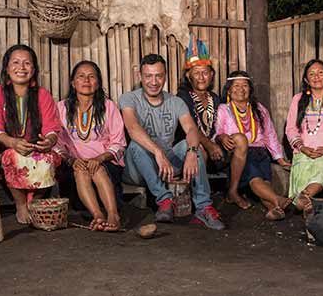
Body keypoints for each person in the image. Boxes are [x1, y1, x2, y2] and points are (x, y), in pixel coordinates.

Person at [120, 54, 225, 230]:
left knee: (191, 145)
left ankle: (203, 207)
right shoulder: (129, 98)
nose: (154, 82)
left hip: (166, 166)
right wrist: (157, 152)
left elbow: (191, 129)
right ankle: (165, 200)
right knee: (136, 145)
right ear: (140, 76)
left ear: (165, 76)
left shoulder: (176, 102)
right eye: (148, 76)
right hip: (137, 167)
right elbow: (132, 128)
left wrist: (192, 151)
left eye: (158, 76)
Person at [0, 44, 61, 225]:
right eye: (16, 62)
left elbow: (52, 128)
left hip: (35, 147)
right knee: (13, 156)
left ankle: (33, 200)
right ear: (6, 68)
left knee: (50, 157)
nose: (21, 68)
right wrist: (12, 143)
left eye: (27, 63)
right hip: (4, 149)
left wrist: (49, 141)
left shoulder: (43, 95)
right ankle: (20, 204)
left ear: (34, 70)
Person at [55, 61, 126, 232]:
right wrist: (71, 160)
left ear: (98, 82)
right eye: (81, 76)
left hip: (106, 163)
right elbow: (55, 143)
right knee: (81, 171)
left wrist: (100, 158)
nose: (86, 80)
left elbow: (119, 143)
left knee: (97, 168)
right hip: (73, 165)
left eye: (91, 76)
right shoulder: (61, 108)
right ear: (73, 83)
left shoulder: (109, 107)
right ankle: (98, 216)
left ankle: (112, 215)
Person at [214, 71, 292, 220]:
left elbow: (270, 135)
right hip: (239, 155)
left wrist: (279, 158)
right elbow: (217, 132)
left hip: (260, 153)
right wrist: (222, 137)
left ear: (250, 89)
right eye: (236, 86)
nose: (241, 89)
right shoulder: (224, 109)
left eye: (245, 85)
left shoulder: (260, 109)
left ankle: (273, 210)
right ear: (229, 90)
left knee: (265, 183)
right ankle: (277, 200)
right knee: (255, 179)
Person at [285, 60, 323, 212]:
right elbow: (291, 129)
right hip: (304, 152)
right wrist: (302, 147)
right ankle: (308, 204)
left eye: (320, 73)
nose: (316, 77)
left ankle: (307, 194)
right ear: (306, 79)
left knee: (322, 167)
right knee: (299, 203)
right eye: (311, 74)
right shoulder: (298, 99)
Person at [175, 36, 225, 174]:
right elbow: (189, 128)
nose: (201, 77)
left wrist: (221, 139)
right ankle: (198, 193)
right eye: (196, 73)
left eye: (205, 73)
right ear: (188, 76)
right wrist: (208, 145)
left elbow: (220, 126)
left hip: (214, 148)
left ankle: (233, 191)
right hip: (190, 149)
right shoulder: (182, 97)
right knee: (198, 148)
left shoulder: (214, 98)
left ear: (212, 74)